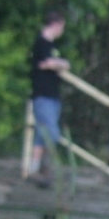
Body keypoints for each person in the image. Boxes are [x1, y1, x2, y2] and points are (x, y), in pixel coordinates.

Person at [27, 12, 69, 183]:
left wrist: (58, 64)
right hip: (44, 95)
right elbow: (48, 64)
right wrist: (61, 64)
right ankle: (47, 166)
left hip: (52, 96)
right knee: (51, 133)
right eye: (62, 26)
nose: (62, 30)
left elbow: (54, 63)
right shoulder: (41, 42)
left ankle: (34, 168)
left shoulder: (52, 46)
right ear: (56, 25)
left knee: (41, 133)